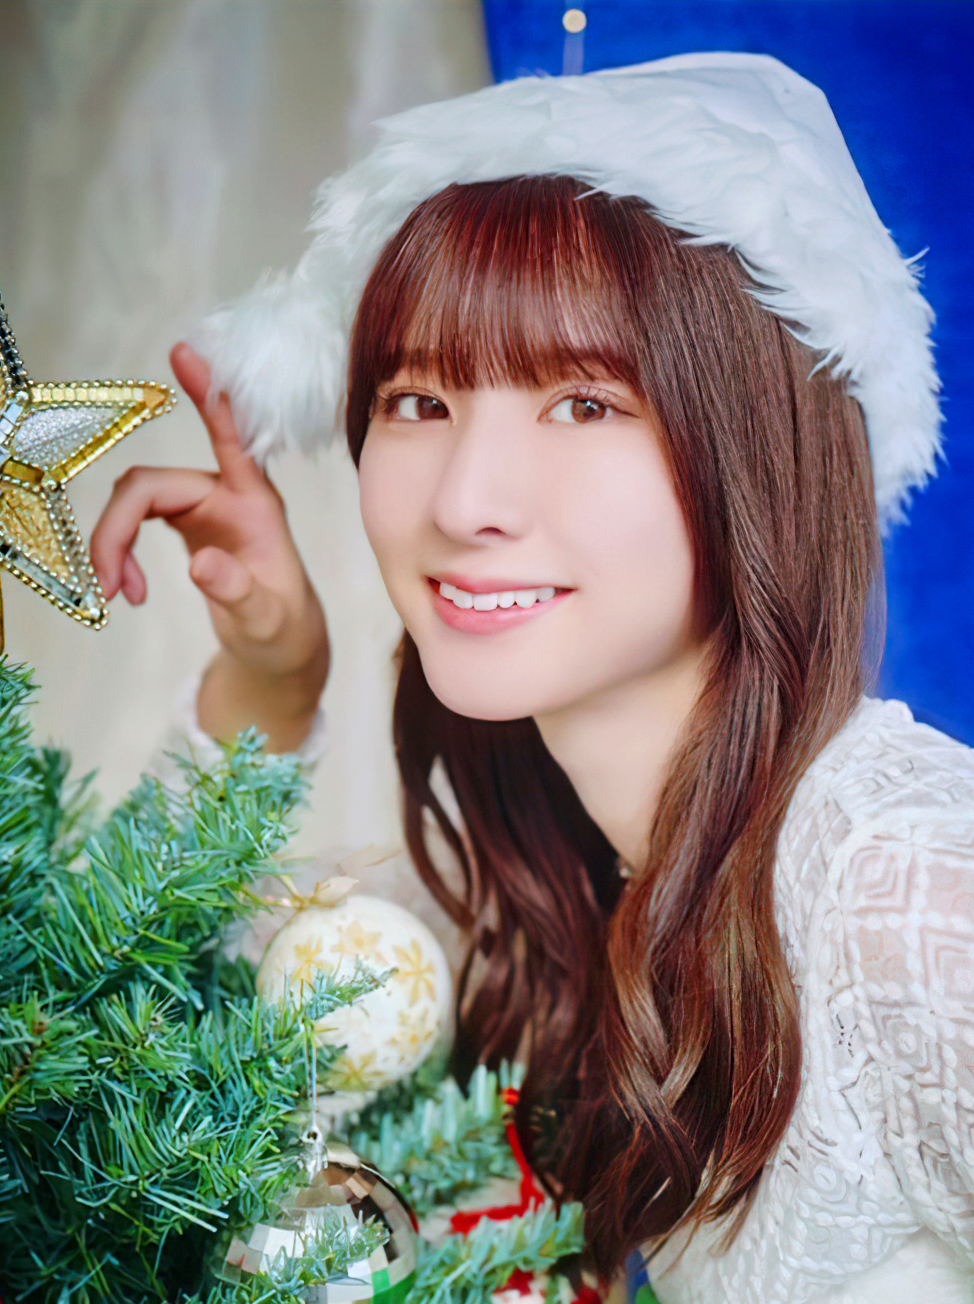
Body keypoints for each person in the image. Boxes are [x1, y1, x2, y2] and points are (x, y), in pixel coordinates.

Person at [90, 54, 973, 1303]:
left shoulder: (910, 895)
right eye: (416, 398)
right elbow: (103, 1026)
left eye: (581, 402)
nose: (464, 502)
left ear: (757, 449)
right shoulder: (533, 892)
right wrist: (270, 677)